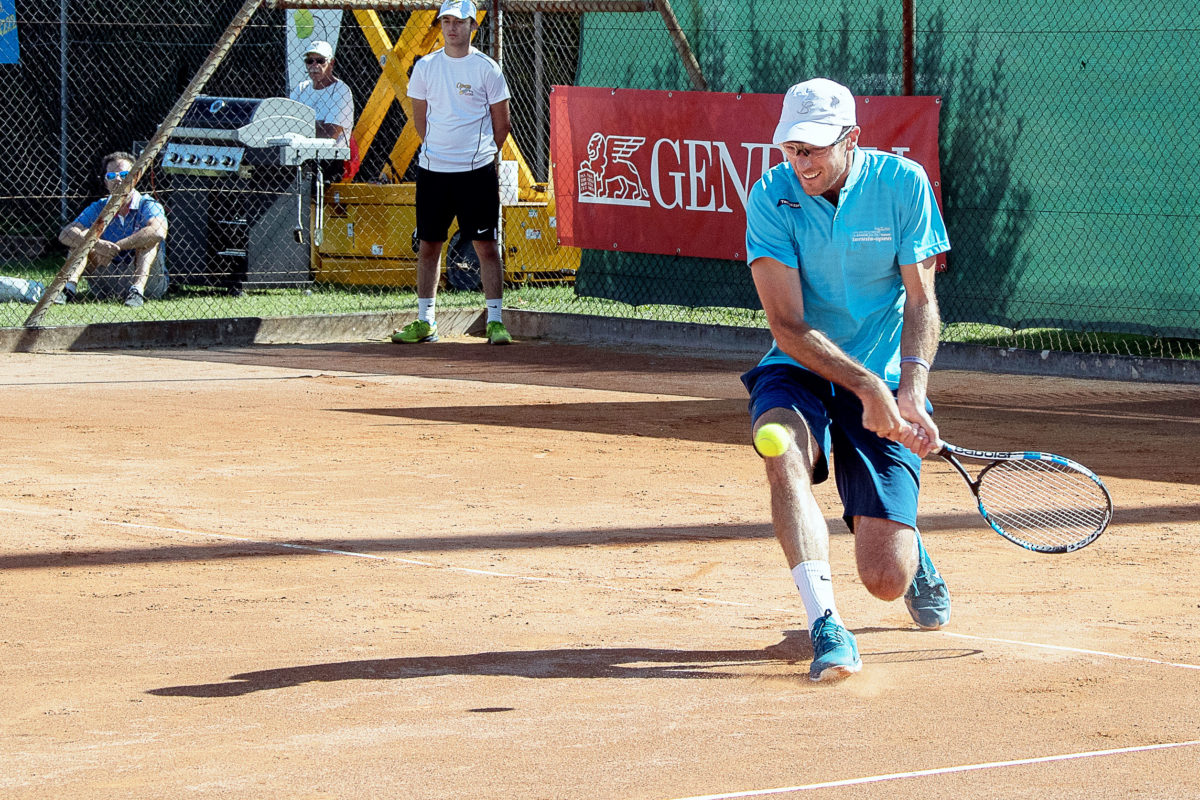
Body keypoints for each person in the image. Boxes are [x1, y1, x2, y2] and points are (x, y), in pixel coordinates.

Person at [741, 78, 952, 682]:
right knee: (780, 449)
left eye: (812, 149)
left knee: (887, 580)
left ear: (850, 139)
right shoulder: (772, 197)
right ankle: (826, 624)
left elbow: (921, 299)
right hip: (800, 366)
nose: (800, 162)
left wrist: (908, 389)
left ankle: (904, 536)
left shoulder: (902, 185)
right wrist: (867, 388)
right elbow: (786, 324)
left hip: (886, 370)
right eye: (790, 149)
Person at [390, 0, 513, 346]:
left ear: (472, 26)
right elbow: (420, 121)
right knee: (429, 245)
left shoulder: (487, 69)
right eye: (446, 21)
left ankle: (495, 321)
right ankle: (426, 321)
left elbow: (501, 125)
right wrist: (442, 153)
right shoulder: (425, 67)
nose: (451, 27)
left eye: (458, 21)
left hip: (477, 173)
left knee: (486, 247)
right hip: (433, 172)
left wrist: (478, 156)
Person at [58, 151, 169, 307]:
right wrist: (96, 244)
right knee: (80, 239)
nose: (118, 179)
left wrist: (117, 246)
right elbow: (66, 234)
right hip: (106, 281)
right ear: (105, 182)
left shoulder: (147, 204)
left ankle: (136, 291)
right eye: (111, 176)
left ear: (135, 177)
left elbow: (158, 231)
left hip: (149, 283)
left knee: (150, 241)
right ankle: (68, 290)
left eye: (124, 174)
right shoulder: (98, 207)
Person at [290, 40, 354, 150]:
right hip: (298, 152)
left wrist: (299, 126)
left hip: (329, 157)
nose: (314, 65)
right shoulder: (301, 88)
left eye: (320, 61)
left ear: (331, 63)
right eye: (310, 61)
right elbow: (286, 124)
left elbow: (329, 134)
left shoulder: (341, 91)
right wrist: (318, 124)